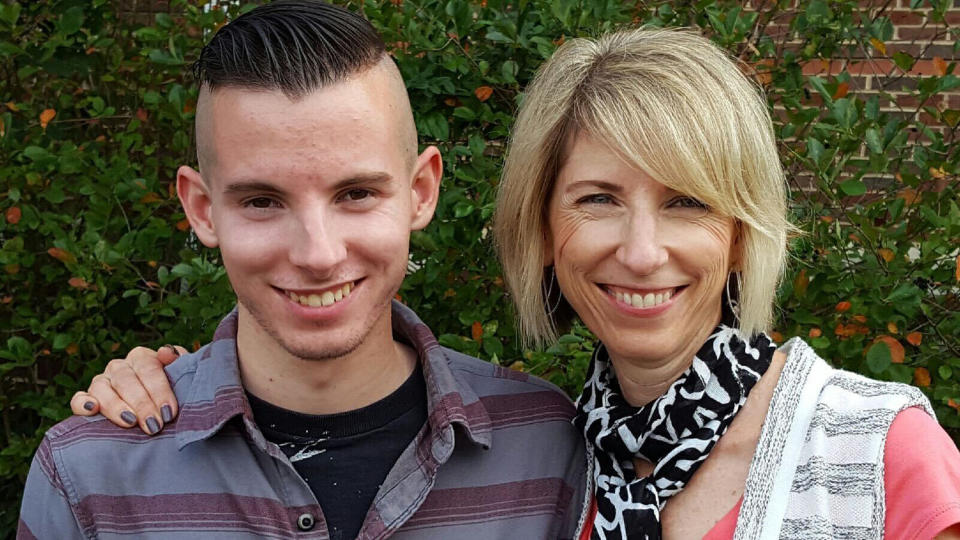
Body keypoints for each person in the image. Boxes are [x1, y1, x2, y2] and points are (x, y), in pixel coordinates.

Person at [68, 27, 960, 540]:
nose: (641, 252)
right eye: (599, 199)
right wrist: (173, 390)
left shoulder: (877, 451)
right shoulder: (574, 449)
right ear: (544, 229)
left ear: (740, 232)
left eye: (688, 202)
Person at [18, 2, 587, 539]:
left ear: (421, 191)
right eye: (262, 202)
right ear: (201, 209)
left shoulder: (549, 444)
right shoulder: (88, 476)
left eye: (356, 193)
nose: (318, 255)